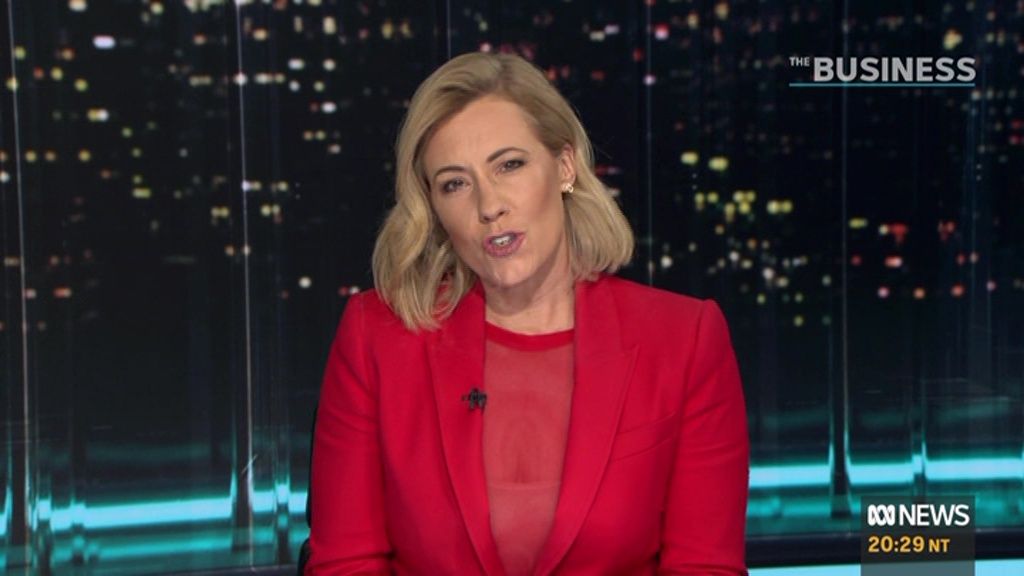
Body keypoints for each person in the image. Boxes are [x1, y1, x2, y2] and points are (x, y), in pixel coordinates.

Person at [306, 52, 749, 575]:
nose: (488, 205)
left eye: (509, 165)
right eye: (455, 183)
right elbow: (346, 563)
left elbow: (704, 566)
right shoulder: (376, 337)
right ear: (434, 208)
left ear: (564, 166)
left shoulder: (683, 340)